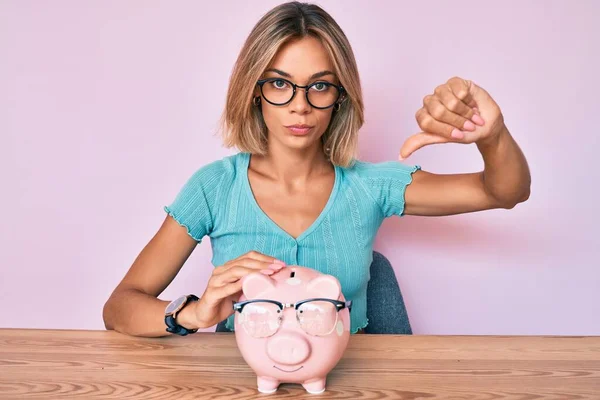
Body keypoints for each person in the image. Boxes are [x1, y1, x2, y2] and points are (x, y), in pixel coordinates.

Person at [102, 1, 530, 338]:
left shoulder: (370, 186)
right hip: (243, 380)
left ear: (340, 96)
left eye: (320, 85)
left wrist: (491, 135)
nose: (300, 105)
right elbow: (119, 307)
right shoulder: (214, 186)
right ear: (254, 91)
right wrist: (192, 313)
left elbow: (503, 192)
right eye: (279, 83)